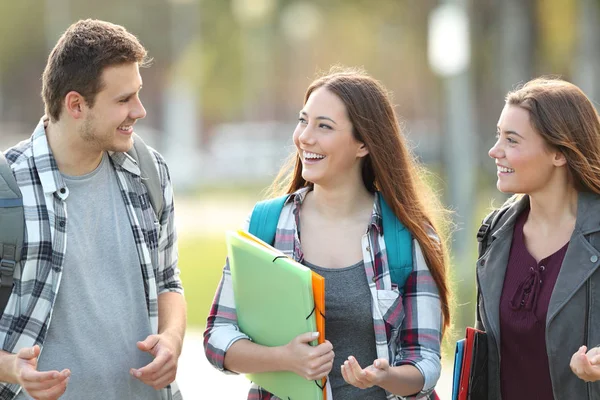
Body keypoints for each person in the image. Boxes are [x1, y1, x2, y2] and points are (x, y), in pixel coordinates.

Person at [204, 67, 450, 399]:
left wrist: (386, 376)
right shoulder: (266, 226)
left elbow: (426, 363)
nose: (305, 137)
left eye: (324, 126)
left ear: (364, 144)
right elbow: (218, 337)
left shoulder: (407, 236)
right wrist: (285, 359)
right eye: (303, 120)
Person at [0, 19, 186, 400]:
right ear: (75, 105)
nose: (140, 111)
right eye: (123, 100)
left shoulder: (150, 173)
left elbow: (169, 281)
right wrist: (12, 369)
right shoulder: (7, 190)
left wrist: (171, 339)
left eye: (137, 94)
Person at [478, 77, 600, 399]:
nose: (495, 151)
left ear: (559, 153)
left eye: (512, 140)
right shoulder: (494, 232)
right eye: (498, 136)